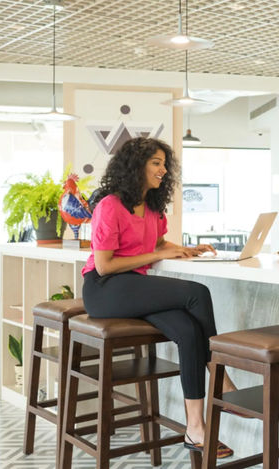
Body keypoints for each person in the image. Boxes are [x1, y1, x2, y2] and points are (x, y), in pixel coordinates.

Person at [80, 137, 235, 458]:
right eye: (156, 163)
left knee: (189, 331)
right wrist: (155, 254)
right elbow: (105, 265)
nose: (163, 170)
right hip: (104, 289)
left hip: (134, 289)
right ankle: (218, 373)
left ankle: (195, 428)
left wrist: (184, 249)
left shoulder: (152, 207)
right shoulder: (110, 205)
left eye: (165, 164)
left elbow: (159, 243)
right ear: (136, 166)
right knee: (197, 293)